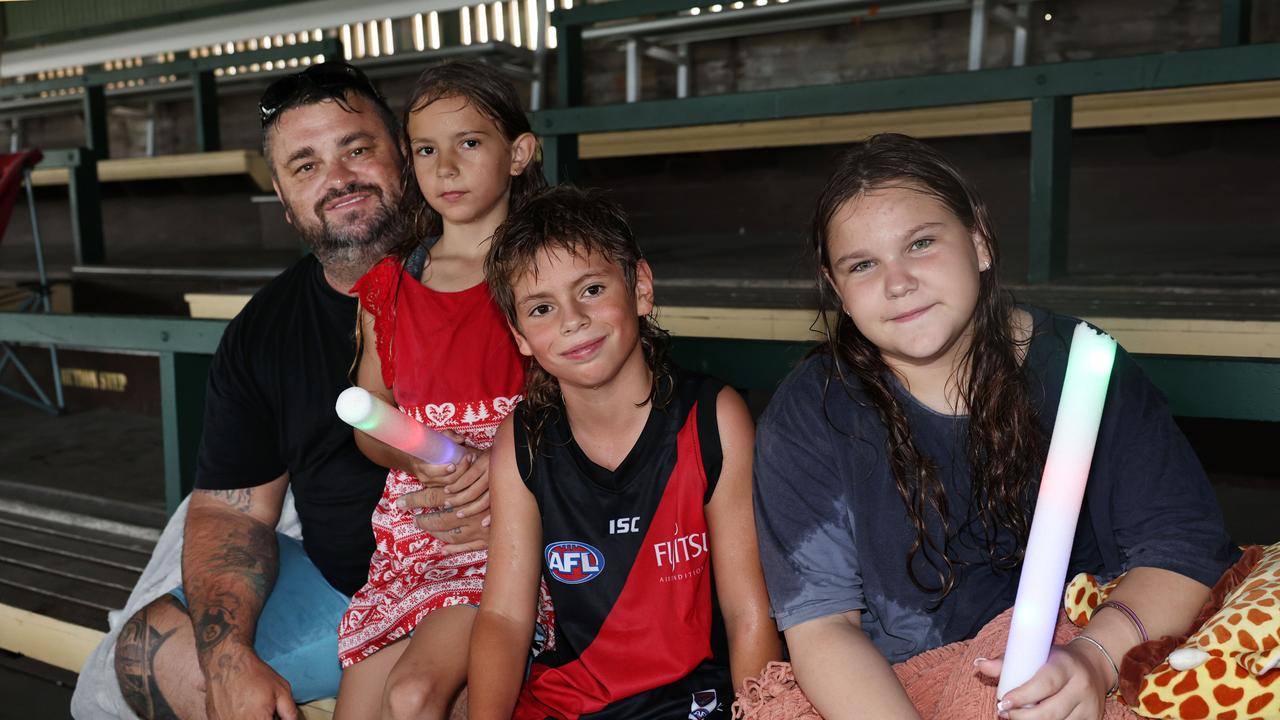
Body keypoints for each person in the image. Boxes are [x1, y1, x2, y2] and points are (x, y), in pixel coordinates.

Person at [751, 133, 1239, 720]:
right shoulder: (812, 411)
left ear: (980, 242)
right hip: (890, 692)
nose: (897, 281)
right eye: (863, 264)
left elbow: (1184, 550)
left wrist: (1091, 660)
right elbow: (823, 625)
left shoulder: (1081, 365)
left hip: (1086, 659)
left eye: (922, 243)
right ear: (837, 290)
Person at [103, 61, 482, 720]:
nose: (337, 180)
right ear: (283, 197)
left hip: (486, 576)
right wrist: (228, 660)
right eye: (306, 167)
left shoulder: (499, 264)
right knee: (149, 652)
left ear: (404, 154)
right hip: (344, 586)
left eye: (356, 150)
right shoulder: (263, 331)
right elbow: (232, 513)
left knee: (439, 692)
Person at [470, 185, 782, 719]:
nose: (572, 319)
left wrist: (758, 712)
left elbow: (748, 613)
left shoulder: (713, 420)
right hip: (567, 704)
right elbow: (504, 617)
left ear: (639, 287)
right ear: (519, 334)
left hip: (691, 703)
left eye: (591, 290)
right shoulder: (522, 441)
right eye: (541, 308)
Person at [332, 61, 552, 720]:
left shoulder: (550, 274)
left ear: (518, 153)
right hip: (410, 538)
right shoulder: (391, 287)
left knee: (415, 695)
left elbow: (584, 413)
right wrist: (412, 453)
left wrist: (503, 467)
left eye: (469, 143)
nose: (446, 167)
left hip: (507, 535)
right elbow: (370, 427)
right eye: (426, 149)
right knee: (362, 710)